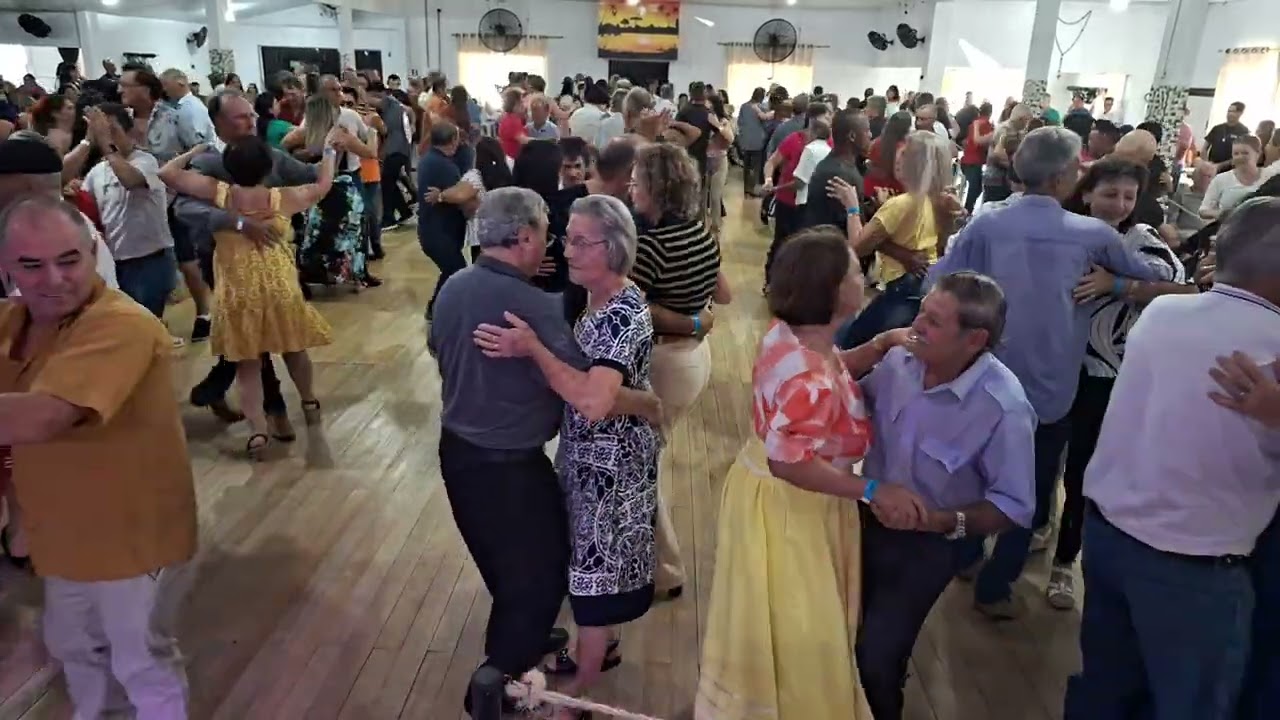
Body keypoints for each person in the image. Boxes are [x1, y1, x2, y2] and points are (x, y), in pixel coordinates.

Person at [427, 187, 659, 714]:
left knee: (504, 566)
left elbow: (441, 351)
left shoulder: (452, 286)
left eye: (578, 241)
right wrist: (649, 403)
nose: (562, 249)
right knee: (539, 581)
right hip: (510, 467)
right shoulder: (536, 308)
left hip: (456, 453)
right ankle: (492, 685)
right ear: (526, 237)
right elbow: (590, 392)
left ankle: (526, 650)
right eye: (558, 238)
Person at [926, 127, 1165, 619]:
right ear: (1062, 178)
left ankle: (966, 555)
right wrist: (1117, 282)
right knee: (1031, 486)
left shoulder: (987, 225)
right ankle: (997, 585)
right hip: (1053, 385)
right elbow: (1158, 275)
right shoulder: (1093, 235)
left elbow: (938, 280)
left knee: (971, 468)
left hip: (984, 374)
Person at [695, 227, 926, 720]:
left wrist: (880, 345)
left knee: (776, 615)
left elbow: (831, 369)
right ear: (837, 292)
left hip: (771, 493)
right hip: (793, 506)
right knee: (802, 621)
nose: (862, 277)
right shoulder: (809, 375)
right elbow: (790, 461)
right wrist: (870, 488)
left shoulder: (794, 339)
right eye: (853, 271)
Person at [1064, 196, 1280, 720]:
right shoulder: (1272, 341)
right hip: (1194, 561)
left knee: (1107, 686)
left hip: (1112, 534)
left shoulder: (1164, 312)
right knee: (1192, 703)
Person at [0, 196, 197, 719]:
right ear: (6, 267)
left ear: (94, 252)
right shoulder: (14, 324)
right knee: (76, 653)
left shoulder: (121, 323)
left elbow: (42, 416)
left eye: (69, 260)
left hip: (133, 540)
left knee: (140, 661)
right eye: (32, 265)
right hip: (63, 538)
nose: (54, 279)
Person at [856, 272, 1035, 720]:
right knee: (845, 635)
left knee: (875, 657)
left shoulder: (1003, 407)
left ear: (975, 339)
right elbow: (855, 400)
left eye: (933, 321)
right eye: (922, 310)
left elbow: (1013, 504)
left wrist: (938, 522)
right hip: (859, 520)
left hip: (927, 546)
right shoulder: (901, 360)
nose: (916, 324)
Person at [159, 135, 336, 458]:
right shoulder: (282, 197)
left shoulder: (220, 194)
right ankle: (309, 400)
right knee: (294, 348)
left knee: (248, 364)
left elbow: (167, 174)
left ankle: (257, 429)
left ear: (228, 166)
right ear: (268, 167)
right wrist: (330, 149)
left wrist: (194, 151)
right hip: (280, 287)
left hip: (238, 291)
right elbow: (324, 183)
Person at [174, 91, 318, 437]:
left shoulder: (269, 155)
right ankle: (273, 411)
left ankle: (217, 388)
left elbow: (307, 175)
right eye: (241, 117)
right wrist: (237, 222)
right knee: (253, 344)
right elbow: (183, 208)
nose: (251, 122)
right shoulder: (209, 163)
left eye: (252, 115)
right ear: (219, 123)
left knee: (277, 336)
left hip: (273, 263)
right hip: (227, 264)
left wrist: (330, 150)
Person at [418, 121, 468, 320]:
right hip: (440, 233)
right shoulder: (445, 166)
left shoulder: (428, 159)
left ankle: (439, 308)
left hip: (432, 230)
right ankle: (437, 309)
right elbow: (460, 195)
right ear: (453, 140)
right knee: (456, 270)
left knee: (452, 270)